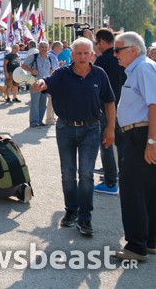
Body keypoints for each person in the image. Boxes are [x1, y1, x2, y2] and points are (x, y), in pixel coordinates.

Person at [33, 37, 115, 237]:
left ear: (92, 55)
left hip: (91, 129)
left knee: (86, 173)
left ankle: (85, 218)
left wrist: (111, 128)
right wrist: (40, 83)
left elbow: (109, 101)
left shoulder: (99, 74)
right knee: (68, 173)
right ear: (72, 55)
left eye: (86, 53)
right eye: (78, 53)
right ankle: (71, 211)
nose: (82, 57)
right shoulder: (63, 73)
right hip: (65, 128)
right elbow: (47, 82)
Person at [105, 32, 156, 261]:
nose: (115, 54)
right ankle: (150, 241)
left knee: (132, 190)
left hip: (142, 134)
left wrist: (151, 141)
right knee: (148, 190)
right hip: (141, 134)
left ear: (133, 50)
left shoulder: (143, 69)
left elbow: (154, 105)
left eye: (118, 50)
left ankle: (136, 246)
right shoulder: (141, 69)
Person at [93, 28, 126, 196]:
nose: (96, 46)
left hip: (106, 107)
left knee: (106, 143)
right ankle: (121, 177)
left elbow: (94, 87)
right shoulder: (121, 57)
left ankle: (110, 181)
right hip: (122, 106)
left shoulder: (103, 61)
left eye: (96, 43)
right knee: (121, 143)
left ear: (102, 42)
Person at [22, 41, 55, 128]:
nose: (44, 49)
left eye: (45, 47)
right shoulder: (34, 57)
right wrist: (31, 70)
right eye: (42, 47)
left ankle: (40, 121)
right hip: (35, 82)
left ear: (48, 48)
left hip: (45, 84)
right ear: (38, 48)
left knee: (43, 103)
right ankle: (34, 122)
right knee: (35, 103)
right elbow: (23, 65)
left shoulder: (50, 58)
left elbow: (52, 69)